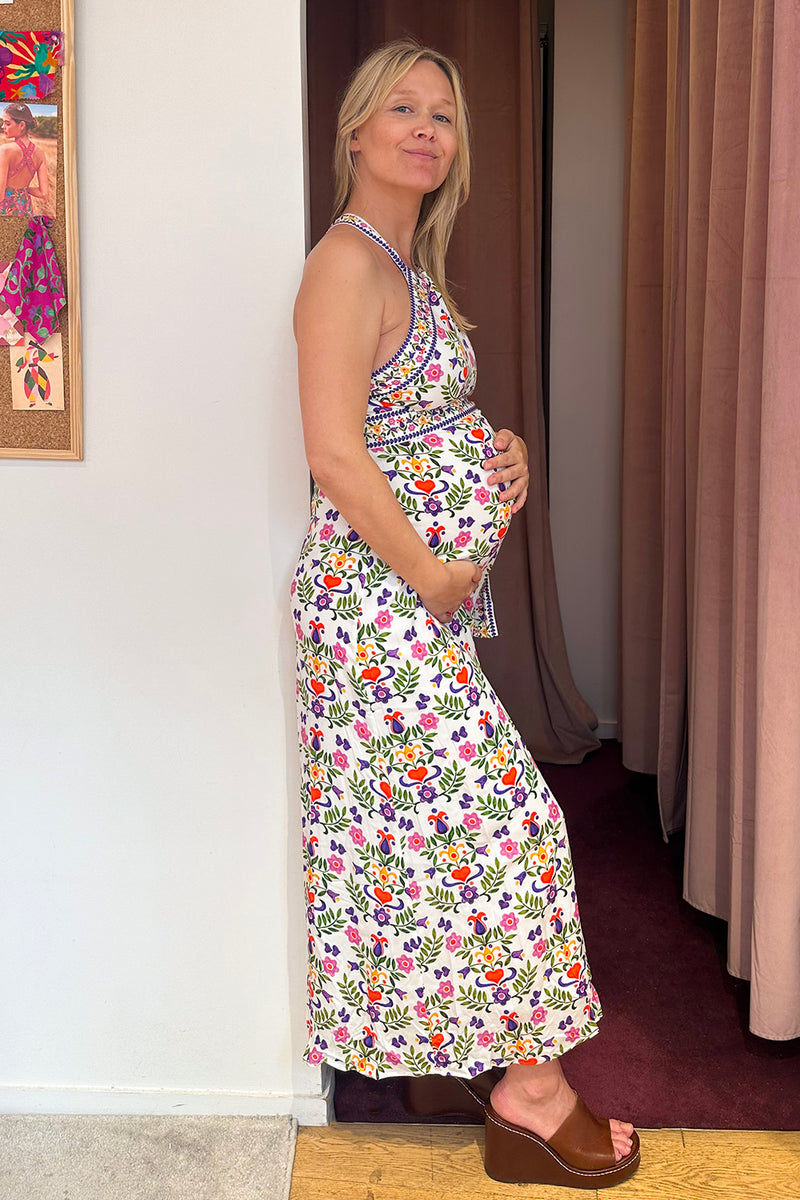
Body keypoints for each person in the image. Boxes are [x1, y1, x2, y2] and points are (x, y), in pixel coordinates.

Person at [291, 39, 639, 1189]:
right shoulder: (344, 265)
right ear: (354, 131)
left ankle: (472, 1073)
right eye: (401, 108)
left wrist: (500, 452)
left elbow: (416, 422)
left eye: (441, 114)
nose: (424, 129)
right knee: (509, 826)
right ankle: (529, 1093)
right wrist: (435, 577)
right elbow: (335, 455)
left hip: (411, 612)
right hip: (377, 609)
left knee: (439, 841)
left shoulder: (406, 263)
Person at [0, 103, 49, 218]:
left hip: (5, 211)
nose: (3, 127)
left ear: (22, 125)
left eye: (7, 123)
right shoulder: (40, 154)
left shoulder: (5, 150)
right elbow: (44, 193)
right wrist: (23, 190)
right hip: (26, 210)